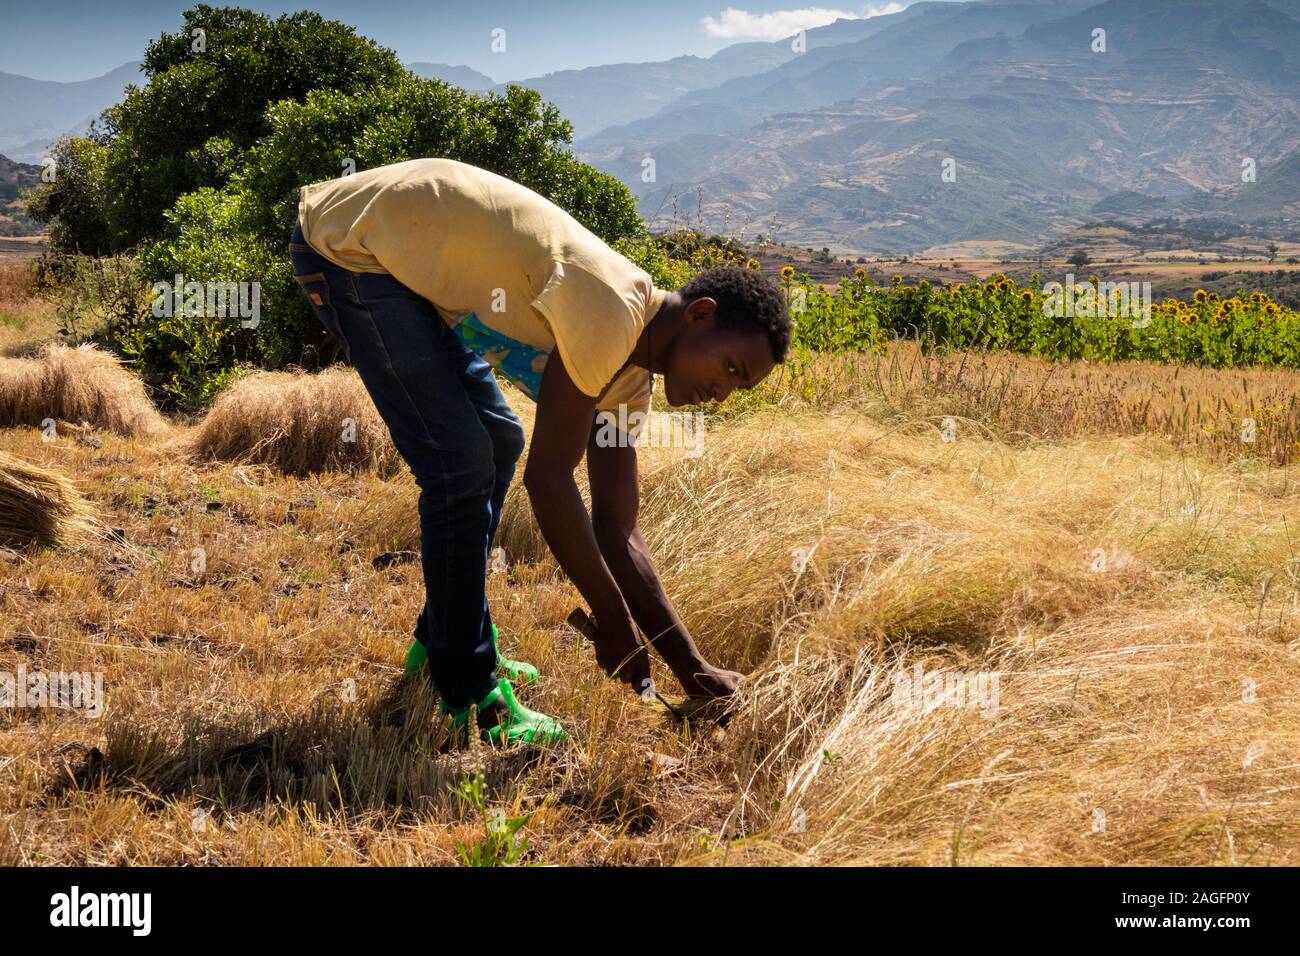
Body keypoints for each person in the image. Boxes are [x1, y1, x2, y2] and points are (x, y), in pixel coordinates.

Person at [288, 157, 792, 744]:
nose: (723, 390)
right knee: (460, 463)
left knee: (497, 440)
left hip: (404, 271)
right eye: (731, 366)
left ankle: (442, 644)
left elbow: (616, 527)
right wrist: (614, 619)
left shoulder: (629, 380)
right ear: (701, 316)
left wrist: (691, 668)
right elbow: (549, 480)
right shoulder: (612, 310)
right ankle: (469, 692)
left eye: (740, 386)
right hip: (353, 251)